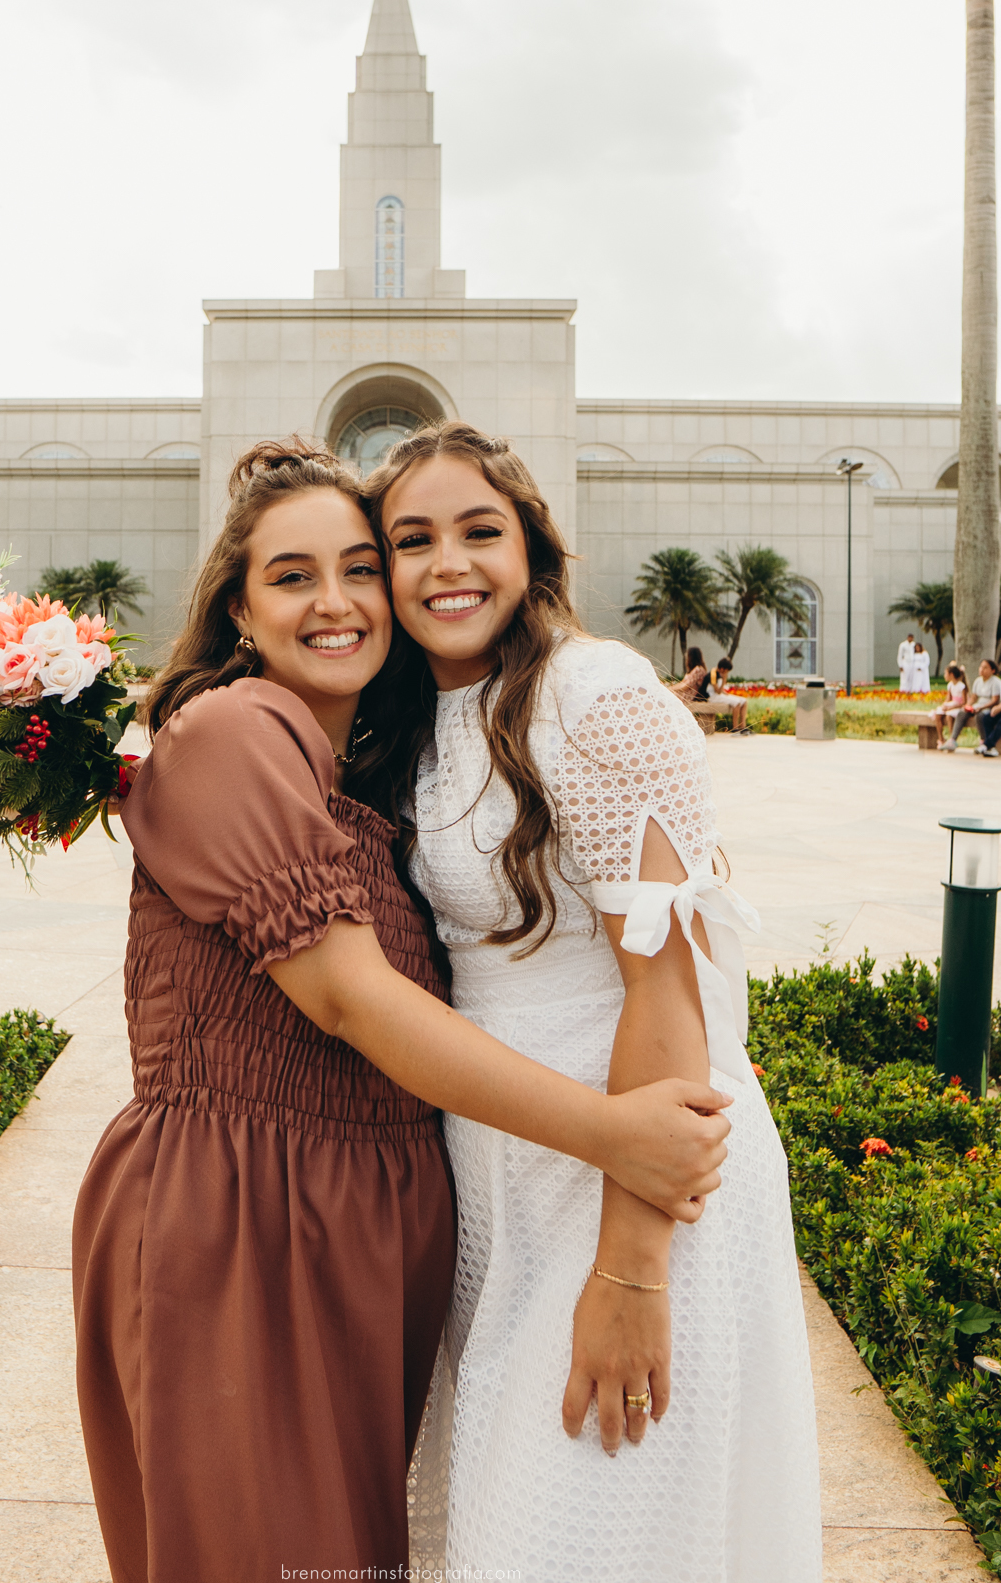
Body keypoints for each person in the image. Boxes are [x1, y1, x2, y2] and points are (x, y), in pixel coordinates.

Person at [73, 439, 732, 1583]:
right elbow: (346, 996)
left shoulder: (382, 759)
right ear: (237, 606)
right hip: (245, 1230)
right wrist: (615, 1133)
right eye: (292, 576)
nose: (338, 601)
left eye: (360, 567)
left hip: (369, 1239)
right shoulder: (235, 729)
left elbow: (665, 949)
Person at [364, 423, 821, 1583]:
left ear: (531, 547)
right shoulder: (423, 716)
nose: (445, 564)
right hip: (505, 1166)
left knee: (585, 1528)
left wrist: (632, 1272)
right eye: (410, 540)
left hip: (635, 1173)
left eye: (479, 530)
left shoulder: (594, 695)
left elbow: (667, 984)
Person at [946, 656, 1001, 754]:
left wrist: (981, 707)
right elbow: (974, 697)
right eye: (981, 667)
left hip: (988, 707)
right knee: (962, 713)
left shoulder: (995, 682)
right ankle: (953, 739)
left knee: (981, 716)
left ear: (992, 670)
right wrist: (968, 705)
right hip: (978, 705)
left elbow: (995, 700)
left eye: (985, 668)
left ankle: (984, 741)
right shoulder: (978, 681)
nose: (982, 670)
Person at [705, 655, 751, 732]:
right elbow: (717, 691)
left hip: (718, 695)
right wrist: (724, 680)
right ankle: (735, 728)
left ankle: (743, 727)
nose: (726, 673)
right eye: (726, 671)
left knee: (744, 701)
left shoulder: (719, 673)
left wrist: (727, 694)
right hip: (711, 697)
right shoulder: (713, 674)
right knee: (736, 703)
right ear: (722, 669)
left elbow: (720, 691)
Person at [934, 664, 967, 749]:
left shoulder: (962, 686)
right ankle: (941, 739)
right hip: (951, 705)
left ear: (951, 675)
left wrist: (951, 707)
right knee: (938, 714)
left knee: (949, 716)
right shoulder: (950, 685)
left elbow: (964, 702)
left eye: (946, 674)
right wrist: (944, 706)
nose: (944, 676)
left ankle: (951, 740)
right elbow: (948, 698)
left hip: (957, 706)